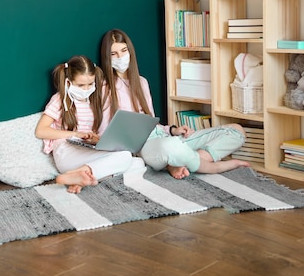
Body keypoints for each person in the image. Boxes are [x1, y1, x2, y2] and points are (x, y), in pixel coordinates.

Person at [100, 29, 250, 179]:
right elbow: (105, 132)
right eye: (114, 54)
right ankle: (212, 166)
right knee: (171, 146)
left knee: (236, 131)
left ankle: (181, 162)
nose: (120, 57)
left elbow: (150, 123)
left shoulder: (142, 82)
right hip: (145, 148)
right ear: (108, 57)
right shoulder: (104, 87)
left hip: (160, 136)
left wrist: (172, 130)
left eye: (124, 50)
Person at [35, 55, 134, 193]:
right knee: (125, 160)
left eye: (90, 84)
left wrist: (94, 139)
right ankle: (81, 174)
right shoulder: (60, 99)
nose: (86, 89)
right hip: (66, 152)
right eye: (81, 85)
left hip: (86, 150)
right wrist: (75, 134)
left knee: (132, 160)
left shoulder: (93, 101)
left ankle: (80, 178)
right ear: (68, 82)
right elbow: (41, 131)